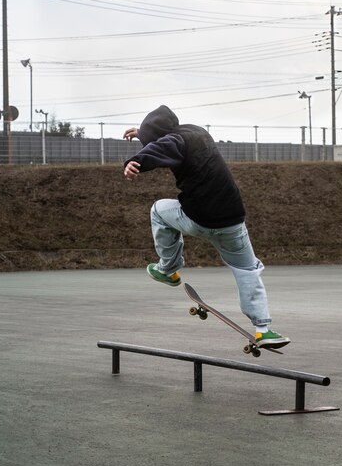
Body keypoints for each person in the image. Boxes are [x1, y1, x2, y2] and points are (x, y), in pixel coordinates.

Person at [123, 105, 290, 349]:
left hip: (198, 219)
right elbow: (162, 140)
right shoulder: (198, 132)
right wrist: (142, 133)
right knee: (247, 271)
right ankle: (263, 330)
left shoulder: (173, 141)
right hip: (232, 221)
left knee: (158, 210)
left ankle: (168, 270)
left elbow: (163, 146)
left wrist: (135, 161)